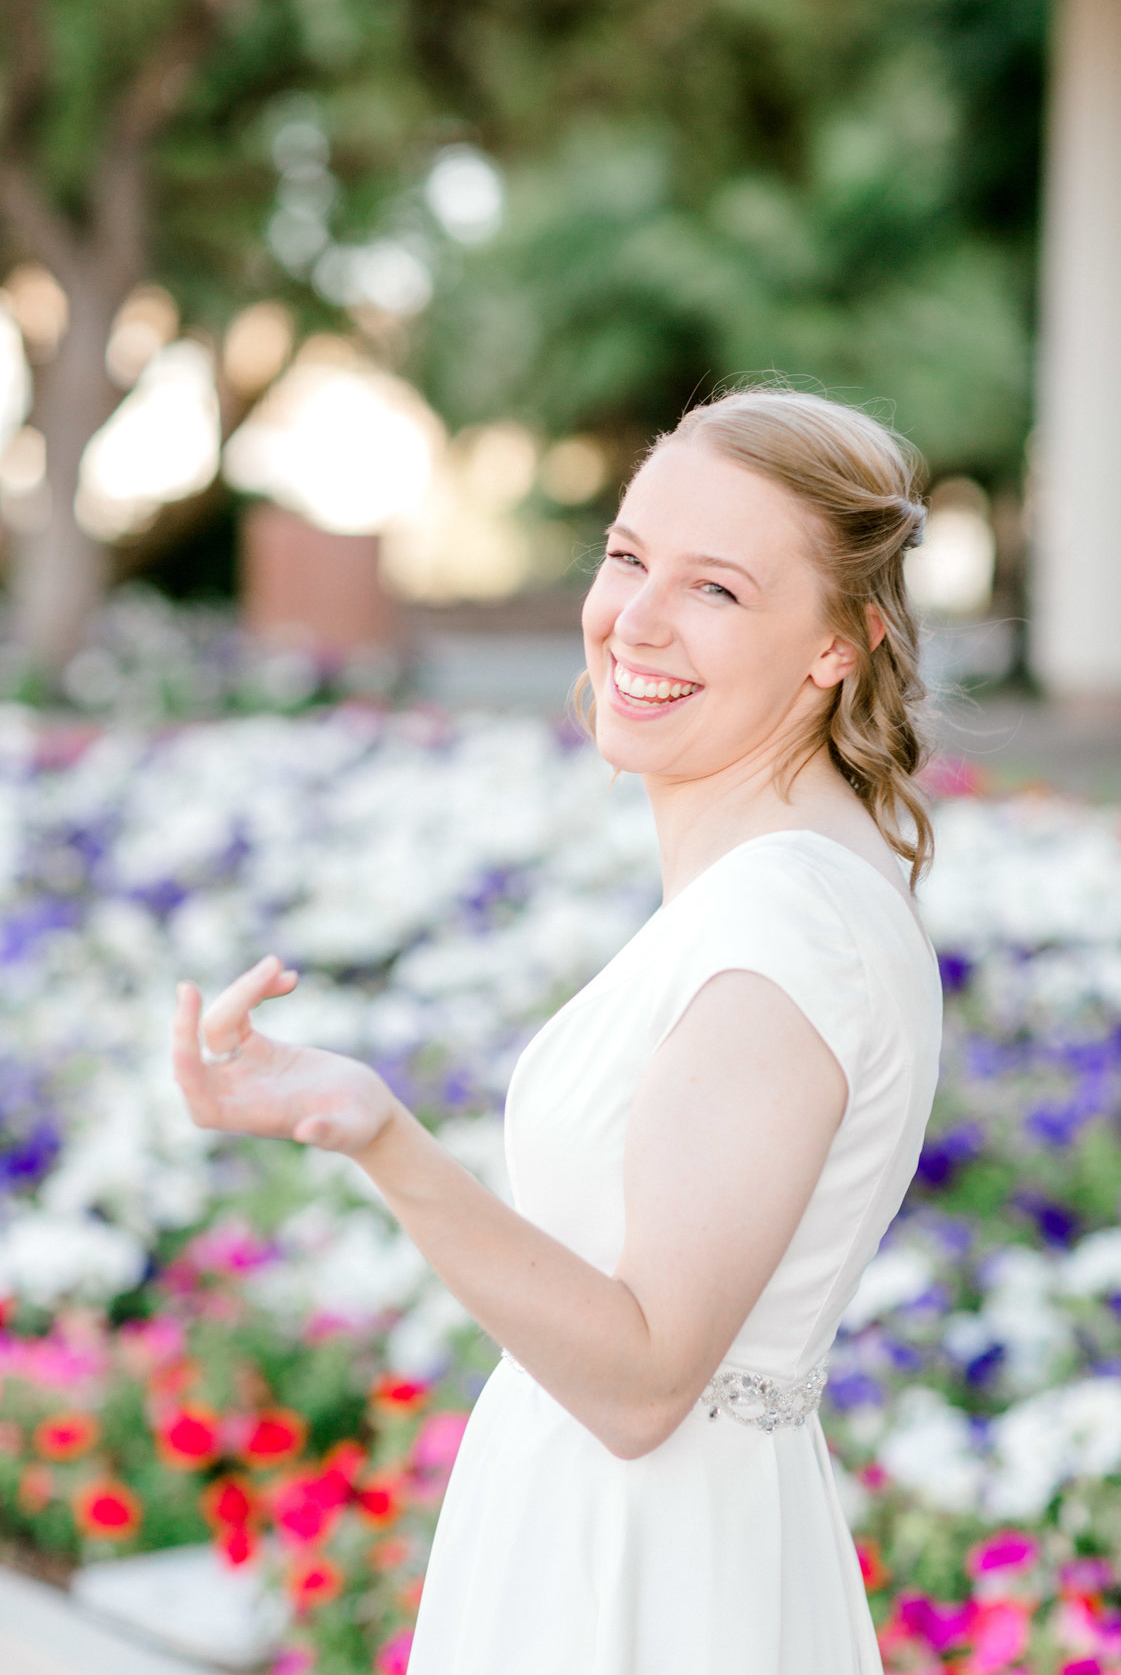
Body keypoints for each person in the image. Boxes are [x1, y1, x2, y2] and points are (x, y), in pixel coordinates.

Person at [172, 385, 944, 1675]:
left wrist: (381, 1137)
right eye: (629, 556)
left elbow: (645, 1382)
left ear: (836, 645)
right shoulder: (787, 884)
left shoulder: (783, 932)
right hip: (635, 1533)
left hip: (645, 1576)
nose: (632, 621)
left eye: (717, 589)